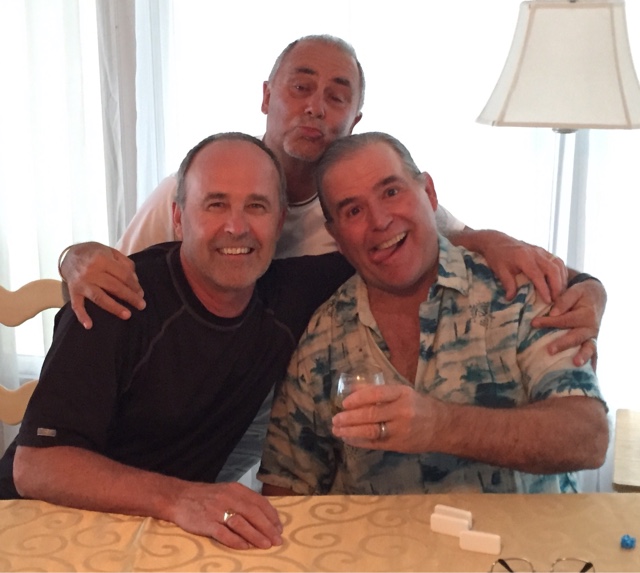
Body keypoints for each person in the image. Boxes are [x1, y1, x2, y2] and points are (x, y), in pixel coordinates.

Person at [59, 35, 606, 484]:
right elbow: (119, 283)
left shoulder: (384, 212)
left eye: (336, 97)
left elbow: (466, 241)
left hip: (260, 428)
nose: (315, 107)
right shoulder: (198, 185)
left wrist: (587, 290)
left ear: (355, 117)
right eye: (300, 87)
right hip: (188, 433)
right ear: (267, 96)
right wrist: (72, 259)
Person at [0, 133, 357, 550]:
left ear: (279, 222)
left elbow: (391, 247)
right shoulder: (116, 298)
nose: (237, 227)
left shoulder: (288, 296)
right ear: (178, 217)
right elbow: (36, 466)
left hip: (165, 539)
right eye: (215, 204)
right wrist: (182, 498)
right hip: (37, 528)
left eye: (256, 206)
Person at [258, 132, 608, 496]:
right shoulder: (323, 335)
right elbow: (285, 487)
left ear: (429, 193)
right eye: (354, 211)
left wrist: (442, 426)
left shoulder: (516, 292)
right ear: (337, 237)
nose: (379, 220)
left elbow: (588, 437)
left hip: (519, 535)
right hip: (377, 535)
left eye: (391, 192)